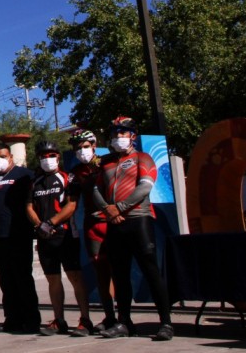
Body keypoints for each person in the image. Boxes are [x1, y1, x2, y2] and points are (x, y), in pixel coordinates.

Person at [93, 116, 173, 341]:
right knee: (119, 274)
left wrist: (119, 208)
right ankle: (124, 322)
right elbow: (97, 189)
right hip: (115, 223)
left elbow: (145, 186)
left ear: (133, 136)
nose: (118, 136)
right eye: (115, 133)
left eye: (123, 132)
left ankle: (166, 322)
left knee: (151, 270)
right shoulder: (106, 162)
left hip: (139, 219)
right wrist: (109, 210)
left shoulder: (142, 157)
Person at [27, 141, 92, 337]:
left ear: (58, 157)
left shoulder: (68, 178)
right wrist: (40, 226)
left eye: (51, 155)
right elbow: (29, 207)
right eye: (44, 156)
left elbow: (71, 205)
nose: (48, 159)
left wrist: (51, 223)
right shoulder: (35, 182)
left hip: (66, 235)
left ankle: (85, 320)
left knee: (75, 278)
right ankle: (59, 320)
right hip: (45, 237)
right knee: (53, 280)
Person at [0, 144, 40, 334]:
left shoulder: (24, 175)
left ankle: (31, 319)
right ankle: (12, 318)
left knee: (23, 278)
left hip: (18, 234)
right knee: (5, 279)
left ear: (11, 157)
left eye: (3, 156)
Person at [69, 129, 116, 332]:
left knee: (118, 270)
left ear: (94, 146)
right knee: (101, 271)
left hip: (114, 221)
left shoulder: (107, 163)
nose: (82, 151)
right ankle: (110, 317)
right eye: (78, 148)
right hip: (91, 222)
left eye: (85, 147)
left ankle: (124, 317)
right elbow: (71, 201)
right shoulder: (77, 172)